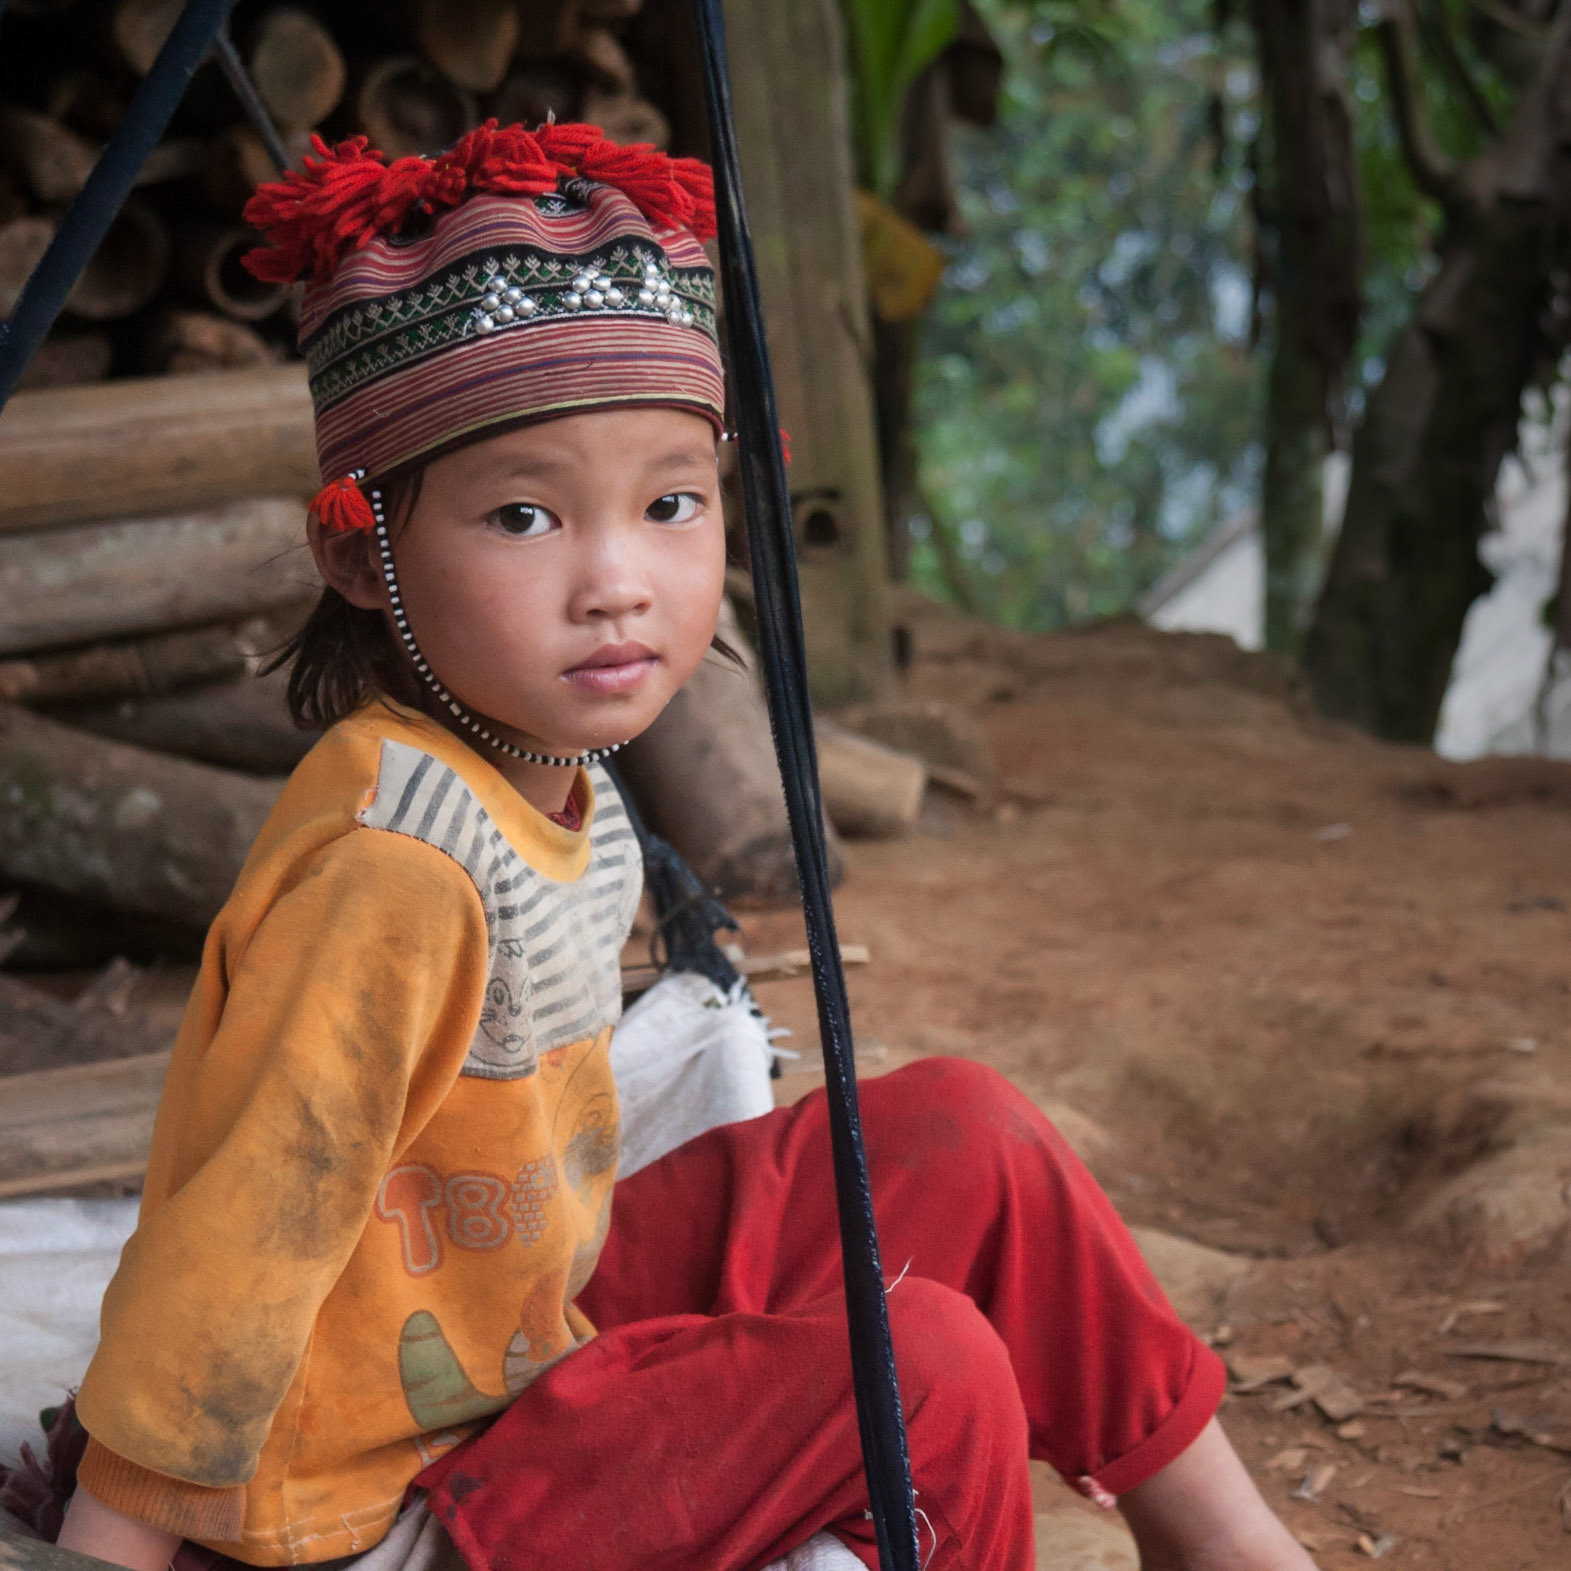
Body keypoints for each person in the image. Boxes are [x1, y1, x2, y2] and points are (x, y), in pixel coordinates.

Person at [53, 122, 1314, 1571]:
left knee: (964, 1136)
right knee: (919, 1374)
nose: (617, 581)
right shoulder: (392, 878)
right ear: (358, 551)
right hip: (375, 1503)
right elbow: (236, 1245)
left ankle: (1227, 1544)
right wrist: (108, 1548)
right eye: (523, 514)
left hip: (508, 1326)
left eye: (669, 504)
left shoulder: (556, 778)